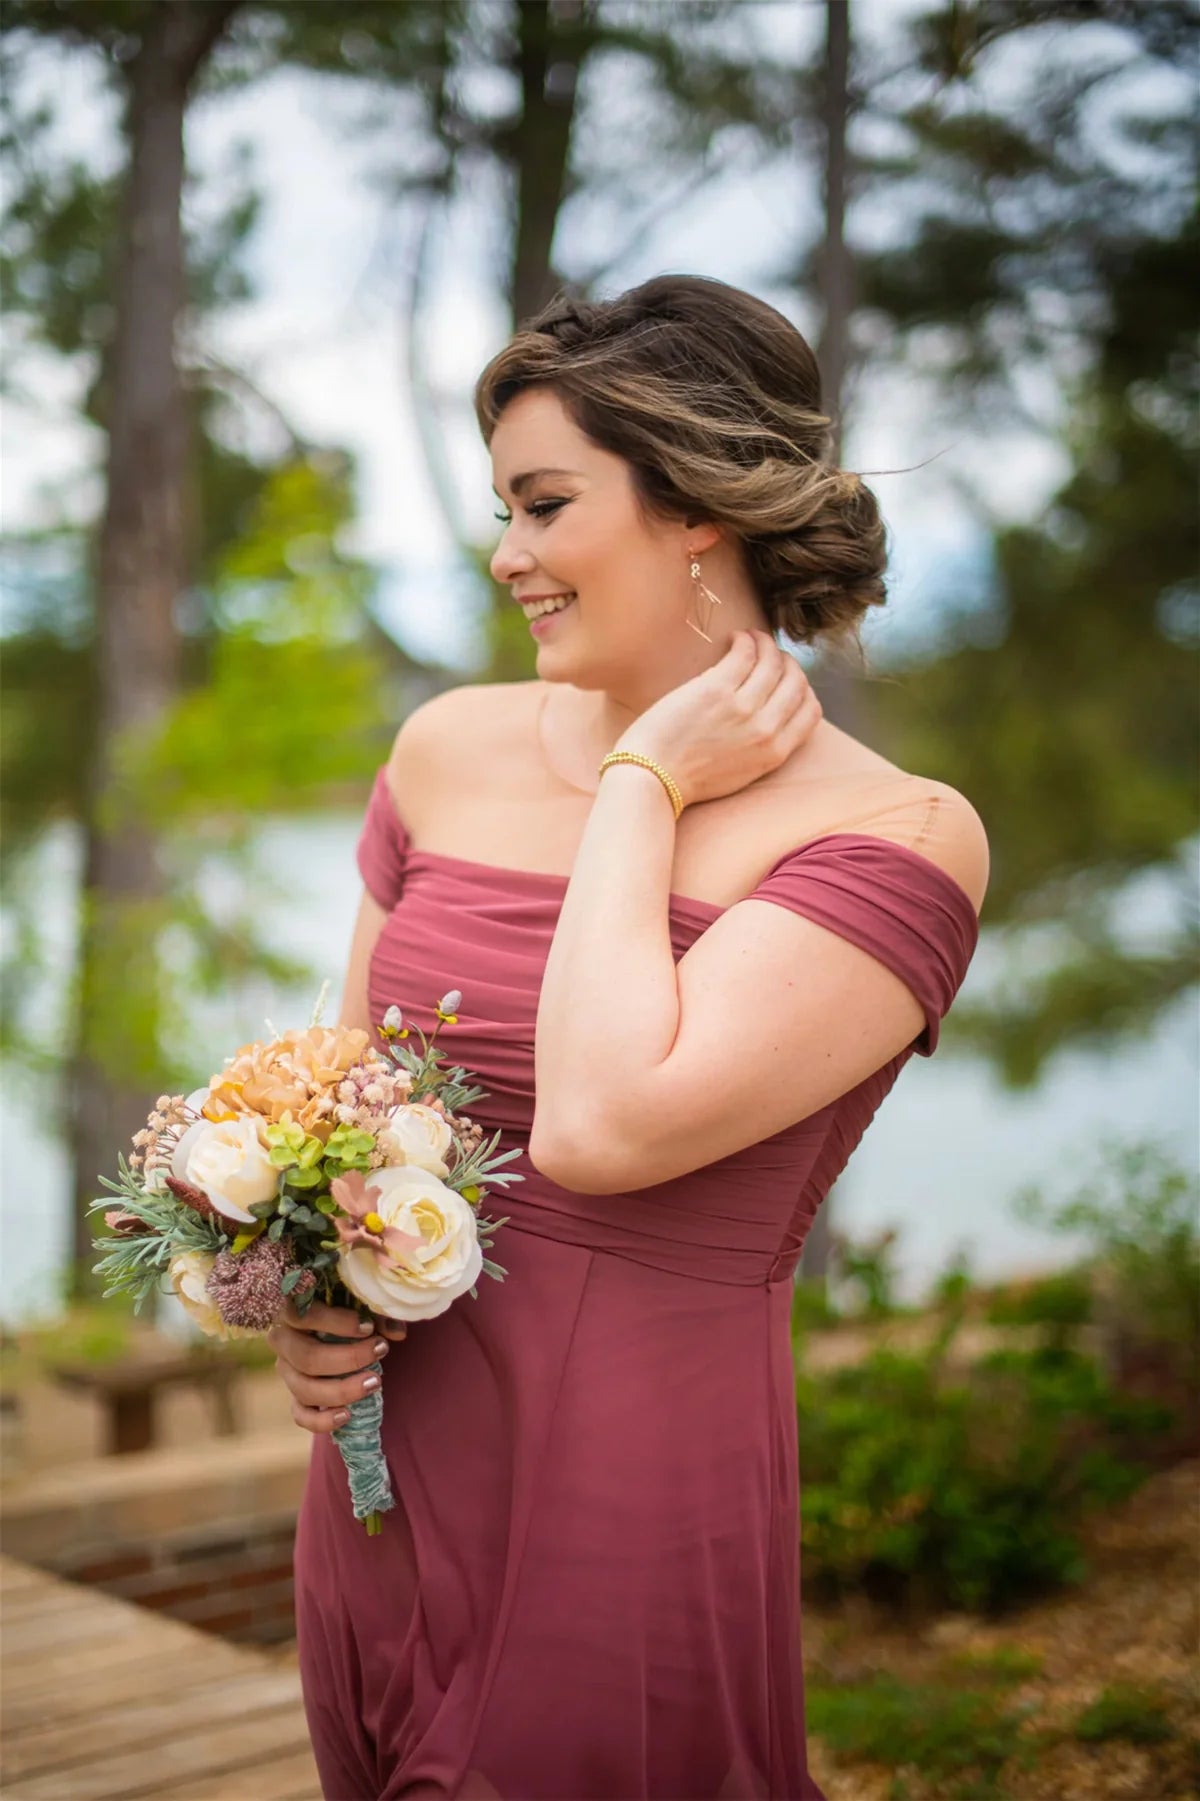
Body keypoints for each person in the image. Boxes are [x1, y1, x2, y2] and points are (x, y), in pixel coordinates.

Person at [269, 274, 989, 1801]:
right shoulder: (445, 748)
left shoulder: (901, 832)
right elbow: (335, 1106)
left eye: (543, 505)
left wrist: (642, 785)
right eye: (501, 508)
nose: (504, 554)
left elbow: (602, 1127)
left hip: (628, 1478)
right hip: (386, 1467)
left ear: (696, 512)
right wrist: (298, 1296)